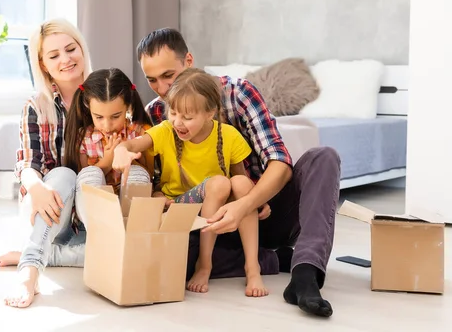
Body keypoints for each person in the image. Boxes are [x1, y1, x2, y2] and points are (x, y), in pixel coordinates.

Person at [136, 28, 341, 318]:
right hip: (206, 224)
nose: (162, 88)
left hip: (262, 213)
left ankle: (305, 273)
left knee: (324, 157)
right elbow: (157, 183)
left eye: (168, 75)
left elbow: (279, 163)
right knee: (172, 263)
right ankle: (268, 261)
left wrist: (245, 204)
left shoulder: (238, 93)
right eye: (151, 79)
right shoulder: (157, 113)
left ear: (189, 61)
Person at [113, 68, 269, 298]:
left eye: (187, 117)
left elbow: (240, 180)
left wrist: (255, 200)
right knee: (219, 184)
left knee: (239, 184)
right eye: (173, 113)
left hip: (217, 213)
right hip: (177, 206)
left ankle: (252, 267)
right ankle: (204, 265)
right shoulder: (165, 131)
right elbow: (132, 145)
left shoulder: (228, 135)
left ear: (210, 113)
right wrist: (120, 151)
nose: (177, 122)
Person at [2, 18, 92, 308]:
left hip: (88, 210)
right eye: (54, 56)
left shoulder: (103, 95)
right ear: (43, 64)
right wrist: (35, 186)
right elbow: (28, 161)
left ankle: (41, 252)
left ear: (82, 48)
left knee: (88, 176)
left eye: (70, 49)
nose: (65, 59)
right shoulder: (36, 105)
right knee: (64, 174)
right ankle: (29, 272)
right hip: (49, 205)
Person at [64, 68, 154, 215]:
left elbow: (150, 175)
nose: (107, 126)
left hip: (130, 204)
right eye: (99, 117)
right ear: (88, 109)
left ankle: (130, 224)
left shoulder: (140, 133)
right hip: (95, 208)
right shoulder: (84, 138)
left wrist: (128, 157)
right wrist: (107, 161)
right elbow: (83, 178)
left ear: (128, 107)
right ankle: (98, 226)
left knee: (137, 173)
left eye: (115, 116)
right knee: (91, 174)